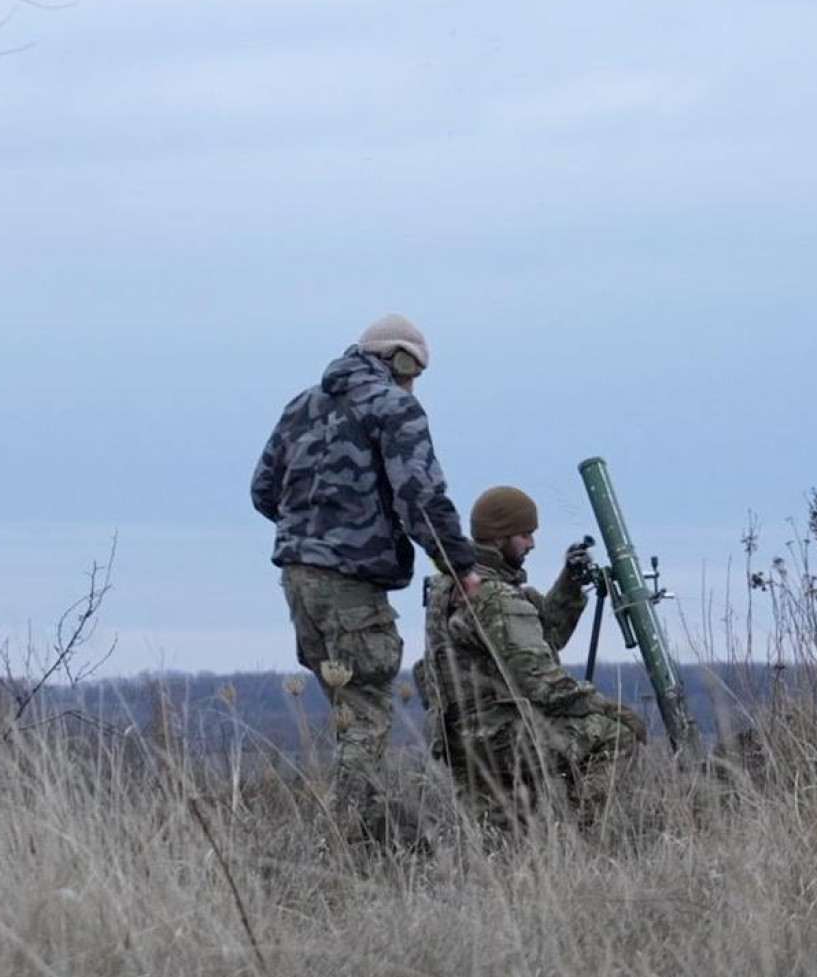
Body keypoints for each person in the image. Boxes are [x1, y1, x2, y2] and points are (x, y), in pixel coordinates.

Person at [250, 314, 480, 846]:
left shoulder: (302, 406)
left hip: (298, 581)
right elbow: (421, 497)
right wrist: (461, 567)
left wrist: (312, 533)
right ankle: (344, 842)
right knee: (368, 717)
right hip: (351, 586)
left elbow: (264, 492)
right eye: (415, 370)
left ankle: (382, 844)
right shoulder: (395, 407)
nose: (414, 382)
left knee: (350, 718)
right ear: (400, 359)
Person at [417, 484, 647, 835]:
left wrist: (569, 586)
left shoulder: (451, 585)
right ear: (499, 537)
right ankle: (585, 835)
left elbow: (539, 636)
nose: (532, 544)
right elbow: (540, 681)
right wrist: (604, 707)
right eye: (525, 535)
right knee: (615, 735)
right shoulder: (494, 596)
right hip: (497, 735)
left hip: (458, 738)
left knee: (505, 845)